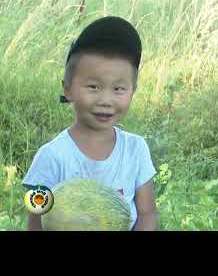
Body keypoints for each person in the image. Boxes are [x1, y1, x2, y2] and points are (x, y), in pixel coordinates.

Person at [22, 16, 157, 231]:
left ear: (132, 92)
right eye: (93, 87)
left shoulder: (135, 150)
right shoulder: (52, 157)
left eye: (118, 89)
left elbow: (147, 213)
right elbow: (36, 219)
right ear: (68, 88)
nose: (105, 100)